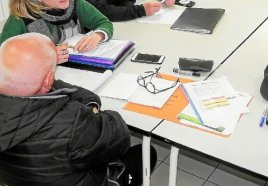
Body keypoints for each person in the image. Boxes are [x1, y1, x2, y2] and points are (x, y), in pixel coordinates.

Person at [0, 33, 157, 185]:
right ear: (48, 80)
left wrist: (89, 101)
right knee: (147, 152)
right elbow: (119, 137)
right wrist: (93, 111)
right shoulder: (70, 123)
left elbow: (54, 85)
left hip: (23, 177)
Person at [0, 0, 113, 65]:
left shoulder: (73, 0)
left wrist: (98, 36)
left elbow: (103, 23)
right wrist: (43, 57)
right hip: (42, 80)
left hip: (80, 68)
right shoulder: (20, 18)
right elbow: (4, 58)